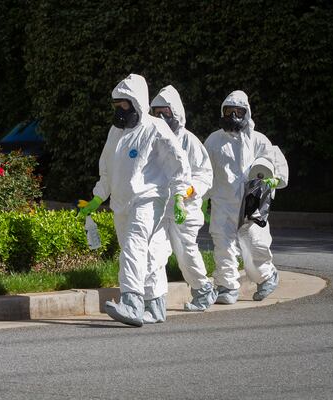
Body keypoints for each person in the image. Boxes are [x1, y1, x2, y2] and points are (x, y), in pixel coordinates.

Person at [77, 74, 191, 327]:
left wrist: (181, 196)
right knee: (144, 253)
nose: (119, 111)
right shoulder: (115, 132)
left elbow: (178, 164)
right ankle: (155, 306)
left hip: (150, 199)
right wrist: (97, 198)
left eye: (124, 105)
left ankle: (131, 302)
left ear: (136, 102)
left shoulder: (155, 128)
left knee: (133, 248)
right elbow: (106, 167)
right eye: (116, 106)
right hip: (121, 202)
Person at [204, 90, 288, 304]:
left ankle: (267, 276)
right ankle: (227, 286)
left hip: (253, 201)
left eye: (238, 111)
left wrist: (273, 180)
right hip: (223, 203)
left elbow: (275, 164)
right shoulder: (214, 141)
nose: (232, 116)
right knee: (223, 245)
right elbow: (204, 172)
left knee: (255, 244)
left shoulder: (258, 140)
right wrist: (202, 201)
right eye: (228, 111)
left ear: (246, 114)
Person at [149, 85, 217, 311]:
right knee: (155, 252)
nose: (160, 117)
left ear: (176, 112)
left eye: (165, 112)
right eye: (156, 112)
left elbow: (204, 174)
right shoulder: (152, 138)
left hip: (185, 208)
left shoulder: (189, 141)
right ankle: (152, 299)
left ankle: (203, 289)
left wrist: (188, 191)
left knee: (185, 251)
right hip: (160, 206)